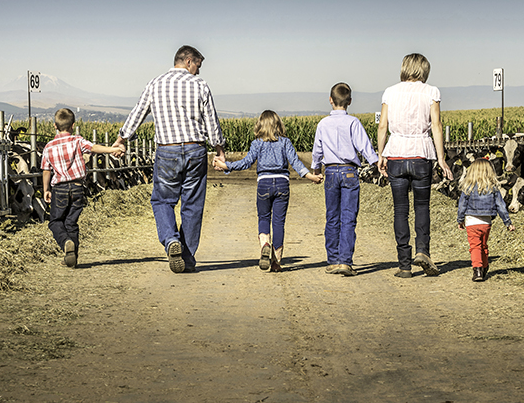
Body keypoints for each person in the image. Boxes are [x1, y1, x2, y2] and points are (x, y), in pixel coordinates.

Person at [114, 45, 225, 274]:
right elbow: (211, 122)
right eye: (198, 66)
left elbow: (138, 112)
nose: (198, 71)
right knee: (192, 205)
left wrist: (122, 138)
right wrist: (219, 150)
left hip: (167, 150)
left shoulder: (155, 83)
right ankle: (187, 257)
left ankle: (170, 239)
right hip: (196, 150)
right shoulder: (200, 85)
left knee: (163, 200)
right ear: (188, 61)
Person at [213, 110, 322, 272]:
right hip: (282, 184)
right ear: (278, 125)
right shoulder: (286, 142)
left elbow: (246, 162)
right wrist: (311, 176)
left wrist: (226, 165)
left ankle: (265, 244)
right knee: (279, 222)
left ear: (259, 126)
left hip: (263, 184)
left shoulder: (257, 143)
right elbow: (296, 163)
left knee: (264, 217)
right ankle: (276, 261)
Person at [377, 53, 453, 279]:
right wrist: (440, 158)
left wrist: (381, 155)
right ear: (423, 70)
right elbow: (437, 126)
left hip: (396, 155)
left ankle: (404, 265)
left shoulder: (390, 92)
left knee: (400, 210)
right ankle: (423, 251)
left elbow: (382, 126)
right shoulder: (431, 92)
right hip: (421, 155)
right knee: (422, 207)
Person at [41, 108, 124, 268]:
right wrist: (113, 149)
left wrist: (46, 190)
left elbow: (46, 170)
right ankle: (72, 257)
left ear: (54, 126)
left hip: (59, 188)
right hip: (78, 187)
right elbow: (94, 148)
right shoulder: (77, 140)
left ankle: (66, 243)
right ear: (73, 125)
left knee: (55, 221)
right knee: (71, 222)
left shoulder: (48, 147)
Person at [311, 82, 379, 277]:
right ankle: (345, 261)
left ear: (330, 100)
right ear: (349, 101)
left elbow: (317, 150)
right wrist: (377, 164)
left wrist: (316, 169)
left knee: (332, 217)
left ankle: (332, 260)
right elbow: (365, 146)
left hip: (331, 171)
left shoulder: (323, 124)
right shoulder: (353, 123)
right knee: (348, 217)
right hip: (350, 172)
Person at [457, 159, 515, 282]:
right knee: (483, 245)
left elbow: (462, 205)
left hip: (471, 221)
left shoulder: (468, 187)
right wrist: (507, 222)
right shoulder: (493, 188)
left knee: (475, 246)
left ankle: (477, 269)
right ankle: (484, 265)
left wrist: (460, 219)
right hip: (486, 222)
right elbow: (501, 206)